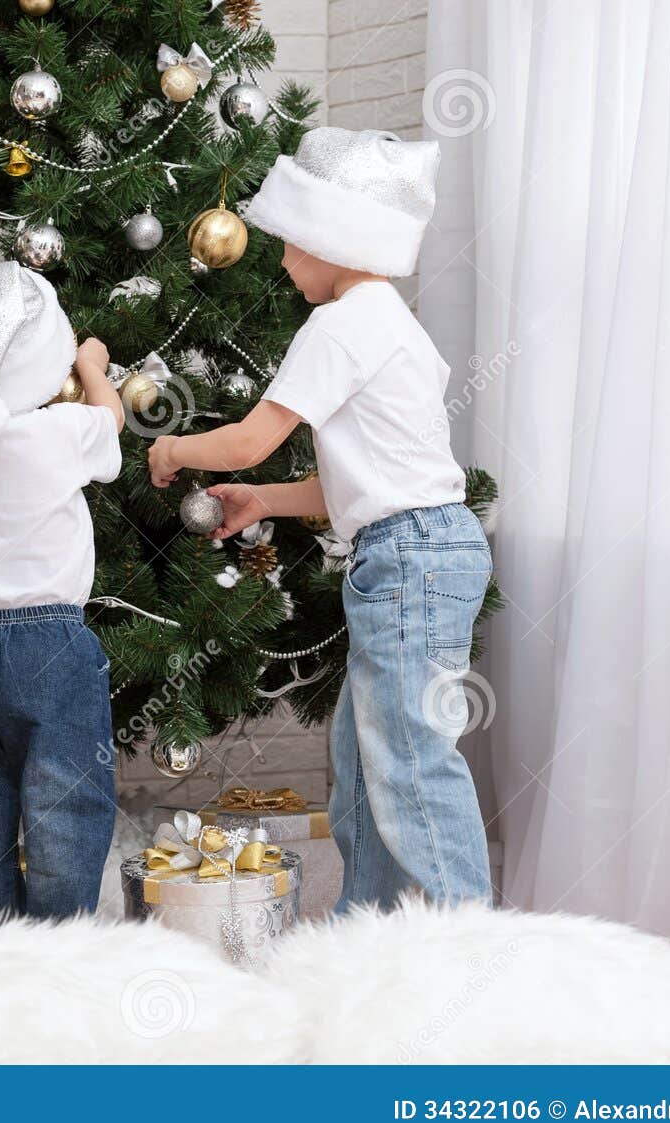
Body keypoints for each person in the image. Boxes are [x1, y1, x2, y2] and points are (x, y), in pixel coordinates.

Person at [147, 127, 492, 911]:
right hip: (420, 543)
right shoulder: (390, 322)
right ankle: (366, 924)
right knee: (367, 756)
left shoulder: (340, 326)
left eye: (292, 240)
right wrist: (268, 500)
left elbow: (248, 438)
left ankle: (470, 938)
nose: (280, 257)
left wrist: (173, 446)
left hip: (411, 556)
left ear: (338, 238)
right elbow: (365, 483)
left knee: (407, 753)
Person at [0, 260, 125, 920]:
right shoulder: (60, 431)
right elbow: (112, 423)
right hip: (51, 644)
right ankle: (58, 951)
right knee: (64, 806)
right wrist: (92, 364)